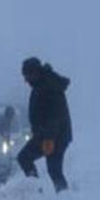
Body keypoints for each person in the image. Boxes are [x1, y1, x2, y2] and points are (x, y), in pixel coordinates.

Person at [18, 57, 73, 192]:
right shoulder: (43, 84)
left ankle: (41, 194)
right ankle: (52, 195)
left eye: (27, 76)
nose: (26, 81)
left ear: (35, 72)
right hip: (50, 135)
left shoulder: (48, 86)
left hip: (54, 136)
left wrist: (49, 139)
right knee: (53, 170)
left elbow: (54, 116)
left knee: (26, 158)